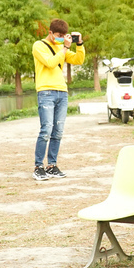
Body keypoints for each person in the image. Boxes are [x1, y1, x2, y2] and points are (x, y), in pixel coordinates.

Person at [32, 19, 85, 180]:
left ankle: (52, 165)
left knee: (58, 131)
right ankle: (38, 166)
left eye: (64, 36)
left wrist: (79, 44)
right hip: (46, 91)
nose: (61, 38)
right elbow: (50, 63)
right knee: (46, 130)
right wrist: (65, 48)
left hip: (62, 91)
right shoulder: (39, 46)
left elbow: (78, 60)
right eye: (58, 35)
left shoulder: (61, 47)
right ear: (50, 33)